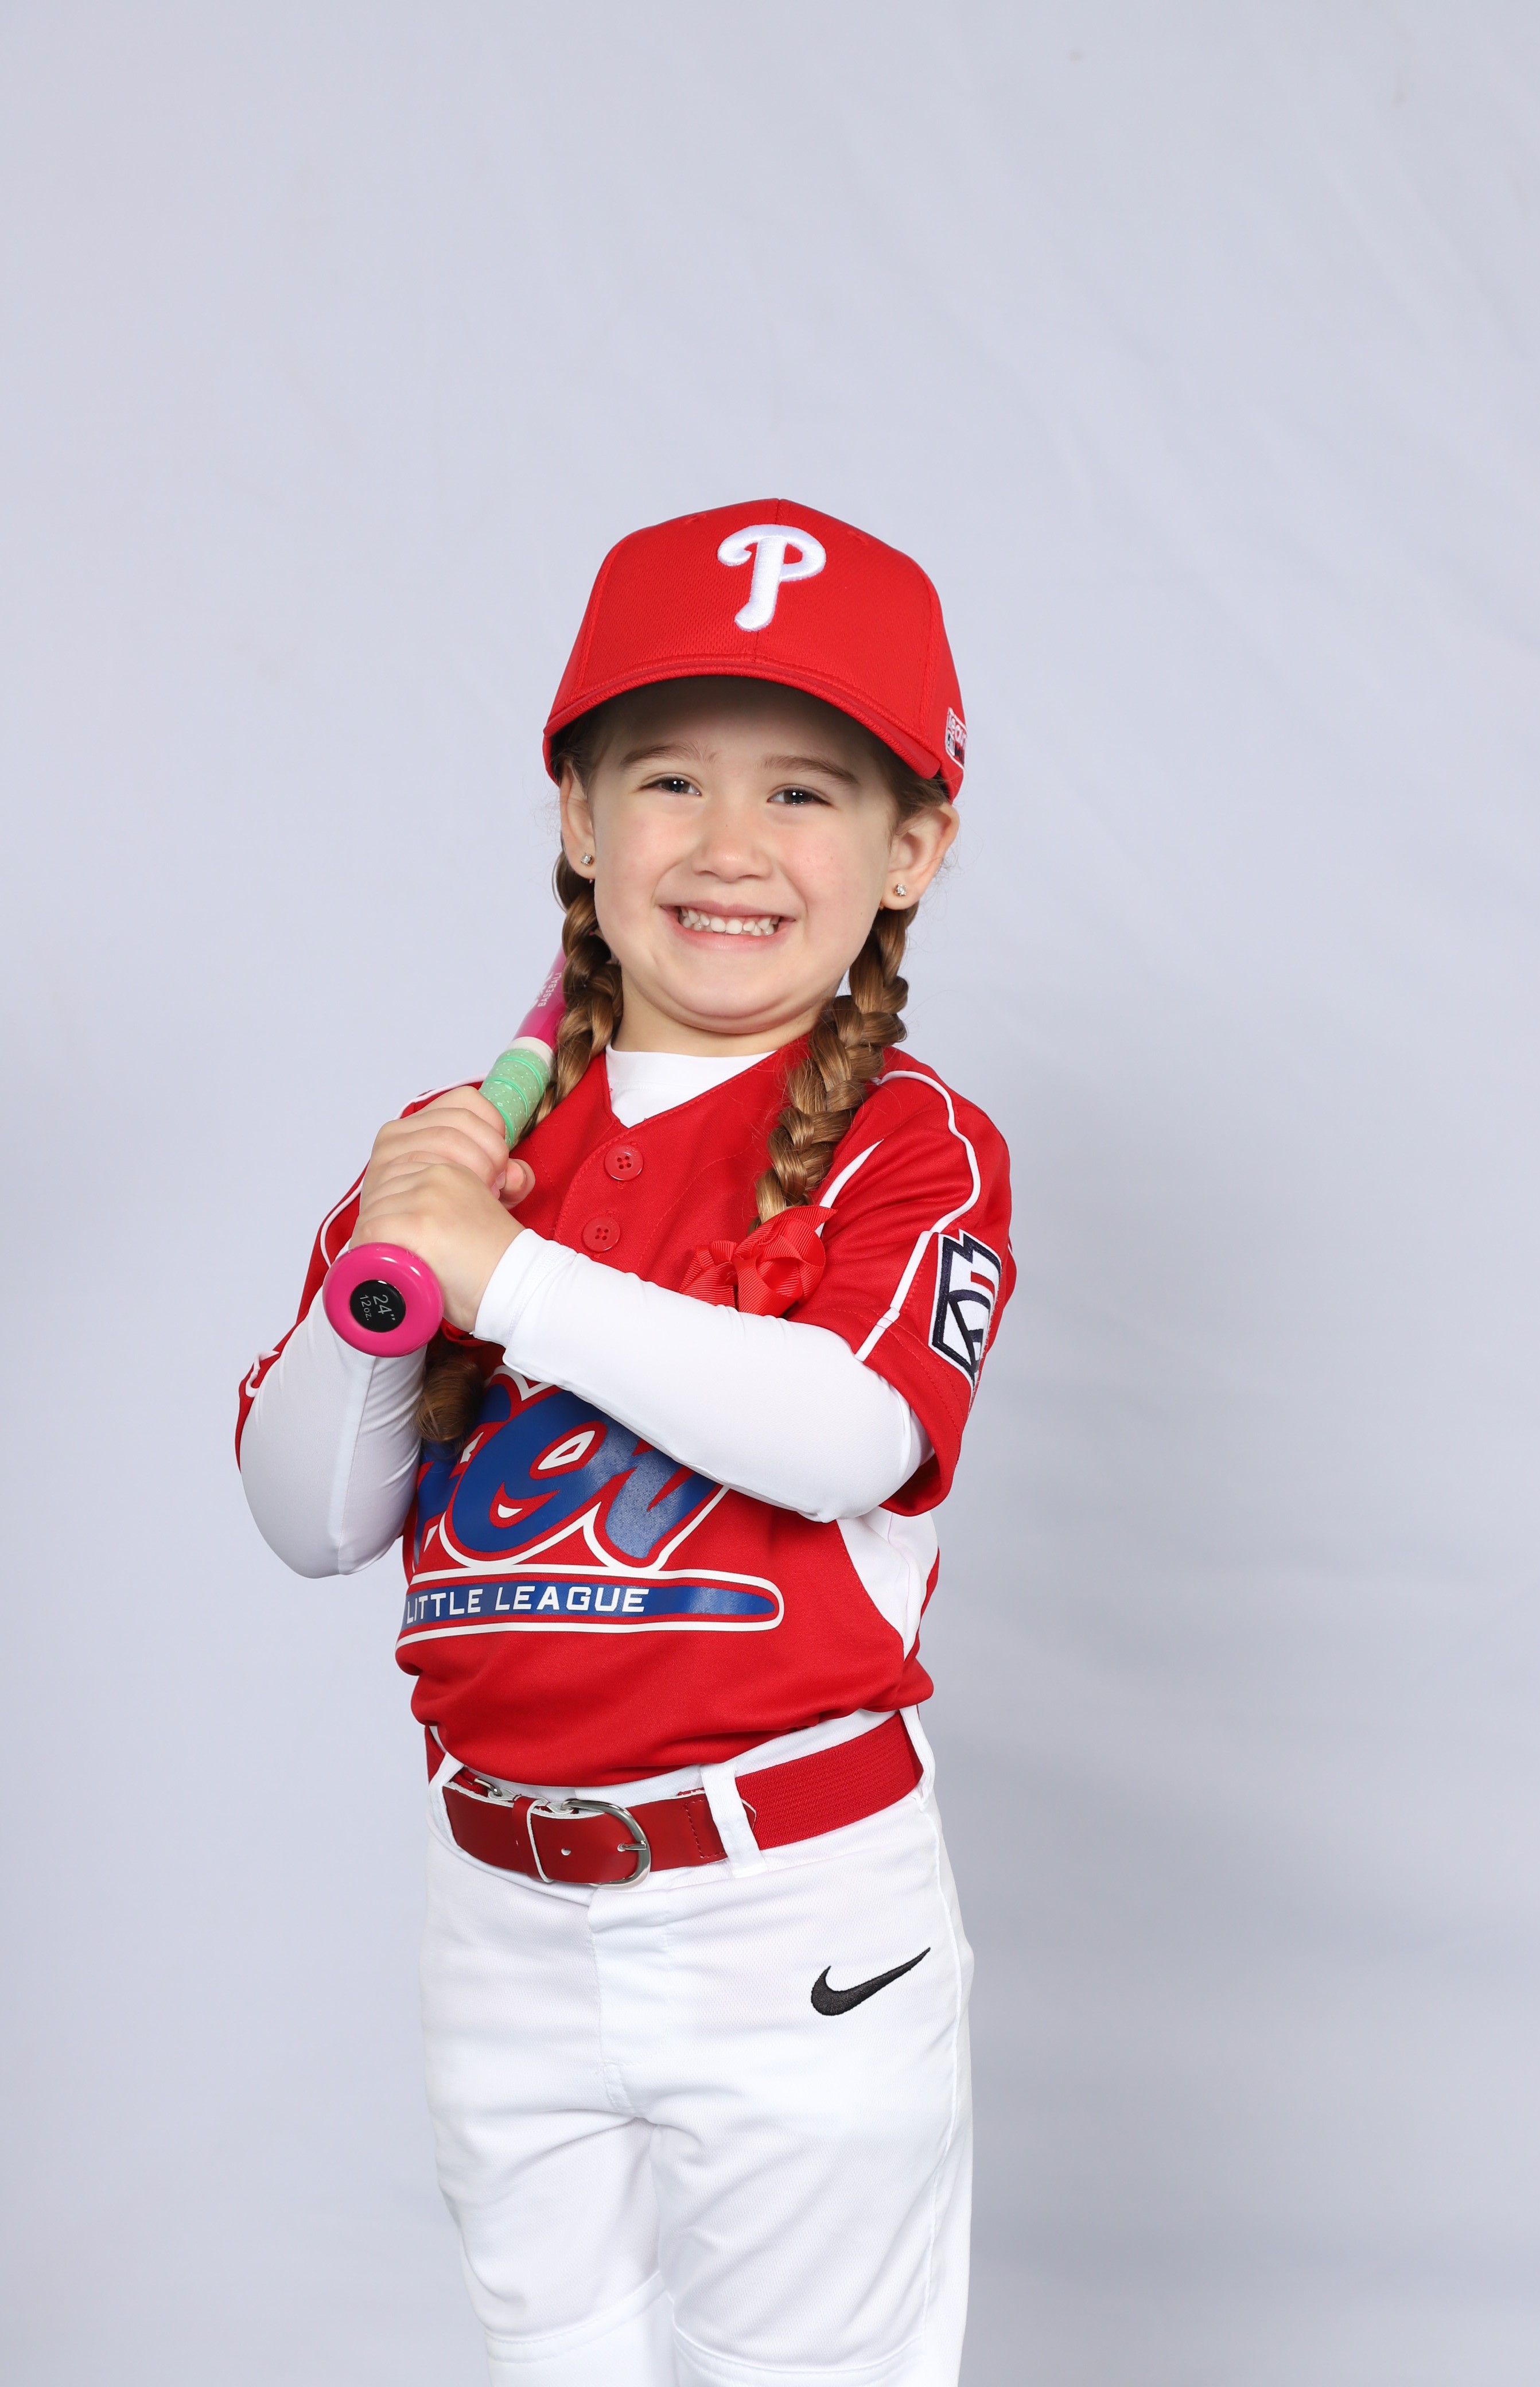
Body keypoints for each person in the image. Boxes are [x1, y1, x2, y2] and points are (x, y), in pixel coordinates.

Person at [238, 500, 1014, 2387]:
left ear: (913, 849)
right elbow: (312, 1519)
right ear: (581, 823)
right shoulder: (468, 1149)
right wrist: (390, 1263)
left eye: (805, 792)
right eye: (668, 778)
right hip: (499, 1911)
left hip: (790, 1913)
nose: (730, 845)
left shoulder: (910, 1142)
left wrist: (503, 1276)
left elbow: (847, 1435)